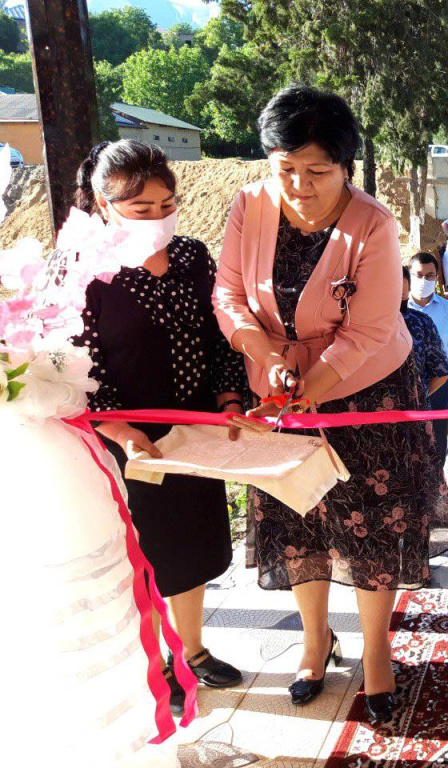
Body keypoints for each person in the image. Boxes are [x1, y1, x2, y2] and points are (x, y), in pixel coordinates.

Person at [213, 85, 448, 722]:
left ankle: (376, 652)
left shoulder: (373, 225)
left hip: (365, 393)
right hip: (278, 391)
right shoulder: (247, 206)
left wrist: (309, 391)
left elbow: (370, 332)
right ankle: (314, 641)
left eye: (317, 171)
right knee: (300, 521)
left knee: (369, 527)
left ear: (346, 166)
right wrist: (265, 359)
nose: (299, 184)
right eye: (285, 169)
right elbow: (231, 296)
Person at [74, 140, 249, 716]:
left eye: (166, 205)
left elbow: (219, 333)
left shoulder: (195, 257)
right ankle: (155, 661)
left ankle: (192, 650)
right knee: (143, 556)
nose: (159, 218)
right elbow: (78, 367)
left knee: (192, 546)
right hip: (127, 441)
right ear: (104, 206)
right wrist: (121, 430)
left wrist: (227, 397)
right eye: (141, 209)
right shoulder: (84, 272)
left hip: (196, 430)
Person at [406, 250, 448, 462]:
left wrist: (440, 367)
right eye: (418, 275)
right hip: (405, 386)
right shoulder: (395, 310)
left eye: (430, 275)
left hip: (439, 385)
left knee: (437, 444)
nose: (424, 280)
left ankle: (437, 483)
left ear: (437, 277)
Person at [400, 265, 448, 398]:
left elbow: (441, 372)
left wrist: (419, 400)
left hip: (413, 413)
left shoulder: (421, 322)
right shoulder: (358, 324)